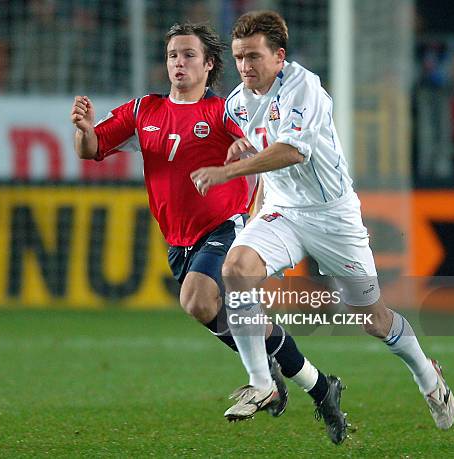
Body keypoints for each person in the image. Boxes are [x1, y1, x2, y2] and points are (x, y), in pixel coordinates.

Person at [72, 22, 346, 439]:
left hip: (225, 226)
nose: (178, 63)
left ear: (209, 64)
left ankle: (265, 382)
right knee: (217, 313)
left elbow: (267, 150)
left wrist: (246, 157)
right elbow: (91, 150)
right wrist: (84, 130)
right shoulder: (144, 109)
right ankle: (320, 386)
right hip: (178, 239)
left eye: (188, 55)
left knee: (196, 296)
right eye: (172, 56)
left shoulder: (227, 111)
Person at [191, 10, 454, 439]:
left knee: (373, 319)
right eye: (239, 57)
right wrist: (246, 164)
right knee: (236, 269)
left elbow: (293, 152)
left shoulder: (304, 86)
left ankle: (427, 374)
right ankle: (262, 383)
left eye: (254, 56)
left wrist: (228, 172)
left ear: (279, 57)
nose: (245, 66)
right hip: (284, 212)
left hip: (333, 216)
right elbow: (262, 152)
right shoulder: (238, 102)